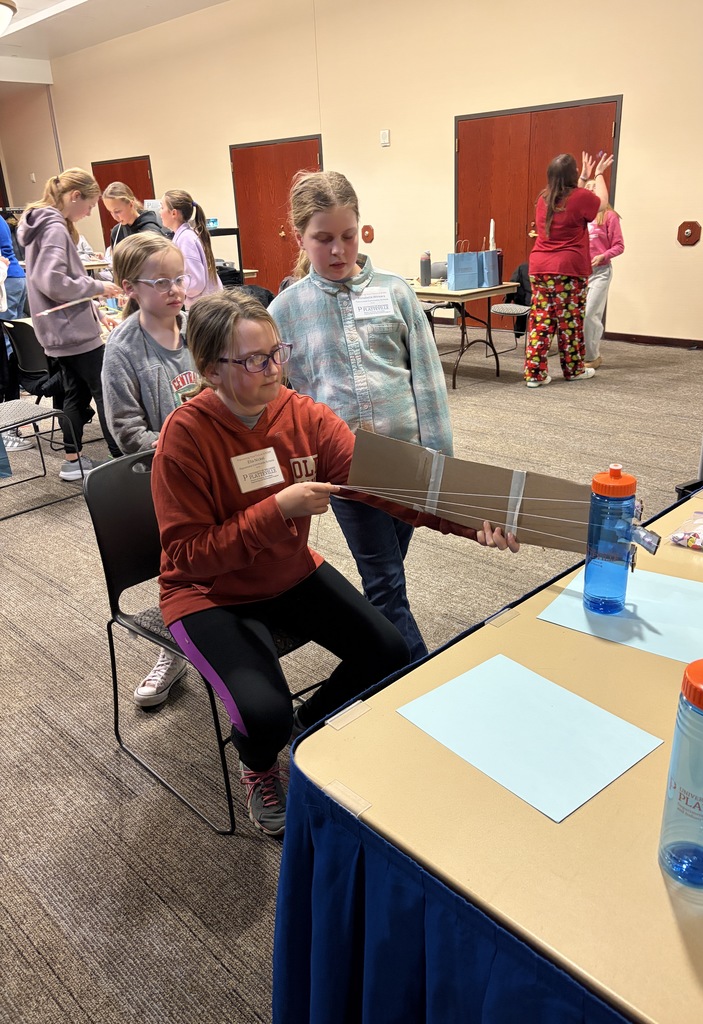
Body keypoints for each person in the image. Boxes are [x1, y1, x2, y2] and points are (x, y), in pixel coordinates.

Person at [151, 289, 517, 836]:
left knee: (388, 651)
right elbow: (187, 557)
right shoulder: (185, 437)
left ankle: (305, 727)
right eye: (254, 360)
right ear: (210, 370)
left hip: (289, 573)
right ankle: (260, 764)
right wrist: (276, 511)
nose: (274, 369)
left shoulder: (304, 417)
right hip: (208, 594)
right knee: (261, 714)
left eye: (277, 352)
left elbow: (394, 485)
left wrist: (474, 519)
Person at [269, 170, 452, 663]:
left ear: (361, 230)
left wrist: (442, 462)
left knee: (388, 574)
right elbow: (282, 399)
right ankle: (414, 674)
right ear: (299, 237)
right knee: (385, 581)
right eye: (322, 239)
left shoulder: (395, 293)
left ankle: (373, 660)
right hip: (345, 468)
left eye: (348, 236)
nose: (337, 251)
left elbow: (428, 381)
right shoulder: (286, 310)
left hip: (409, 460)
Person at [102, 233, 197, 708]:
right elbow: (125, 429)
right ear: (129, 288)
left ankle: (224, 631)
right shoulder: (123, 349)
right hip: (166, 479)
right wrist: (177, 451)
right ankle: (172, 647)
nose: (175, 289)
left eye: (179, 278)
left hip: (217, 468)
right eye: (161, 282)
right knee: (175, 565)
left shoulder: (198, 326)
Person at [17, 168, 123, 477]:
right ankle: (119, 460)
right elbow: (53, 282)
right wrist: (98, 288)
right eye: (89, 205)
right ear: (74, 196)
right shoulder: (53, 227)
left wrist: (92, 308)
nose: (89, 212)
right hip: (72, 332)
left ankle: (73, 461)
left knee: (75, 393)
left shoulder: (40, 224)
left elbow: (57, 282)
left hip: (60, 330)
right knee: (106, 390)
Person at [524, 150, 613, 388]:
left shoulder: (544, 198)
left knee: (542, 321)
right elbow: (601, 205)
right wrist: (600, 174)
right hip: (567, 270)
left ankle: (535, 374)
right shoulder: (581, 197)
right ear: (572, 174)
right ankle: (573, 370)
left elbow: (572, 197)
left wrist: (582, 177)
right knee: (570, 321)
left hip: (540, 268)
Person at [582, 185, 624, 368]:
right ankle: (580, 353)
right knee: (579, 315)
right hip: (580, 273)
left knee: (591, 313)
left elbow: (619, 245)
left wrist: (603, 256)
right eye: (588, 188)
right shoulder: (581, 217)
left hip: (600, 273)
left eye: (595, 188)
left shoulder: (609, 216)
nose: (591, 192)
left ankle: (592, 357)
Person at [0, 214, 32, 451]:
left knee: (8, 347)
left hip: (7, 282)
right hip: (15, 279)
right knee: (13, 341)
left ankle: (10, 424)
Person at [159, 190, 222, 304]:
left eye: (162, 207)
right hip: (206, 305)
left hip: (206, 307)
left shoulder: (185, 239)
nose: (159, 212)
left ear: (173, 213)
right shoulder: (184, 236)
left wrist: (174, 287)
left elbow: (195, 283)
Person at [102, 182, 166, 253]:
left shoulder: (150, 231)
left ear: (131, 204)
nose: (114, 217)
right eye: (110, 212)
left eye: (117, 211)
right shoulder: (116, 232)